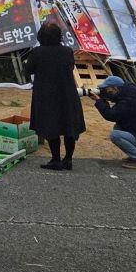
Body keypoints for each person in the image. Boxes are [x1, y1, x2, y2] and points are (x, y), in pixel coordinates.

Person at [23, 22, 86, 170]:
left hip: (46, 95)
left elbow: (28, 71)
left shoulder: (37, 52)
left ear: (41, 36)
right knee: (68, 125)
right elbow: (70, 67)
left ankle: (55, 159)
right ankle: (68, 159)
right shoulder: (67, 51)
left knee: (51, 125)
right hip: (67, 93)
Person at [93, 75, 136, 169]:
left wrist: (99, 101)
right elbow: (116, 115)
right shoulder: (128, 96)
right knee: (118, 127)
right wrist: (102, 100)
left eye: (108, 90)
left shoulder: (128, 101)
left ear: (115, 88)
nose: (106, 92)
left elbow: (110, 115)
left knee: (115, 135)